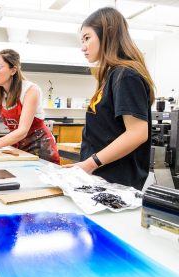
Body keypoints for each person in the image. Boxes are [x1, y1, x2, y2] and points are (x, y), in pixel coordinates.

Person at [65, 7, 155, 190]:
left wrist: (90, 163)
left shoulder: (126, 75)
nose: (83, 47)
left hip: (117, 181)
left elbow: (137, 133)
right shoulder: (112, 75)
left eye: (87, 38)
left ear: (108, 34)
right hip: (102, 177)